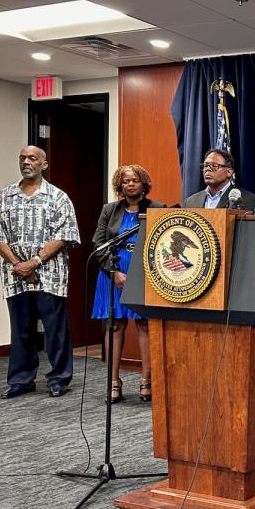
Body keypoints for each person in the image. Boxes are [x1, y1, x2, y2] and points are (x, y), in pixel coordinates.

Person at [0, 146, 80, 398]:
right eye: (22, 158)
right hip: (15, 276)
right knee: (21, 328)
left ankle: (58, 378)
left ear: (44, 165)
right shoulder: (4, 196)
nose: (26, 162)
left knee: (54, 329)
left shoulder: (58, 197)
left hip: (50, 275)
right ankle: (21, 379)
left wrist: (35, 262)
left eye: (32, 158)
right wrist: (20, 265)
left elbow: (64, 236)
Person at [91, 165, 165, 404]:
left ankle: (146, 380)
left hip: (144, 274)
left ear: (144, 184)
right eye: (125, 181)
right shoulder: (109, 210)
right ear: (120, 186)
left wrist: (136, 276)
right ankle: (113, 381)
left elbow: (162, 245)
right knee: (115, 326)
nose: (130, 184)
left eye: (135, 180)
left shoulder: (158, 209)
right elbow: (99, 244)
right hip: (112, 273)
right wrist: (114, 273)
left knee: (144, 325)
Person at [183, 148, 255, 210]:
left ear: (229, 172)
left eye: (214, 166)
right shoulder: (190, 202)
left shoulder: (247, 200)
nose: (207, 169)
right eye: (205, 165)